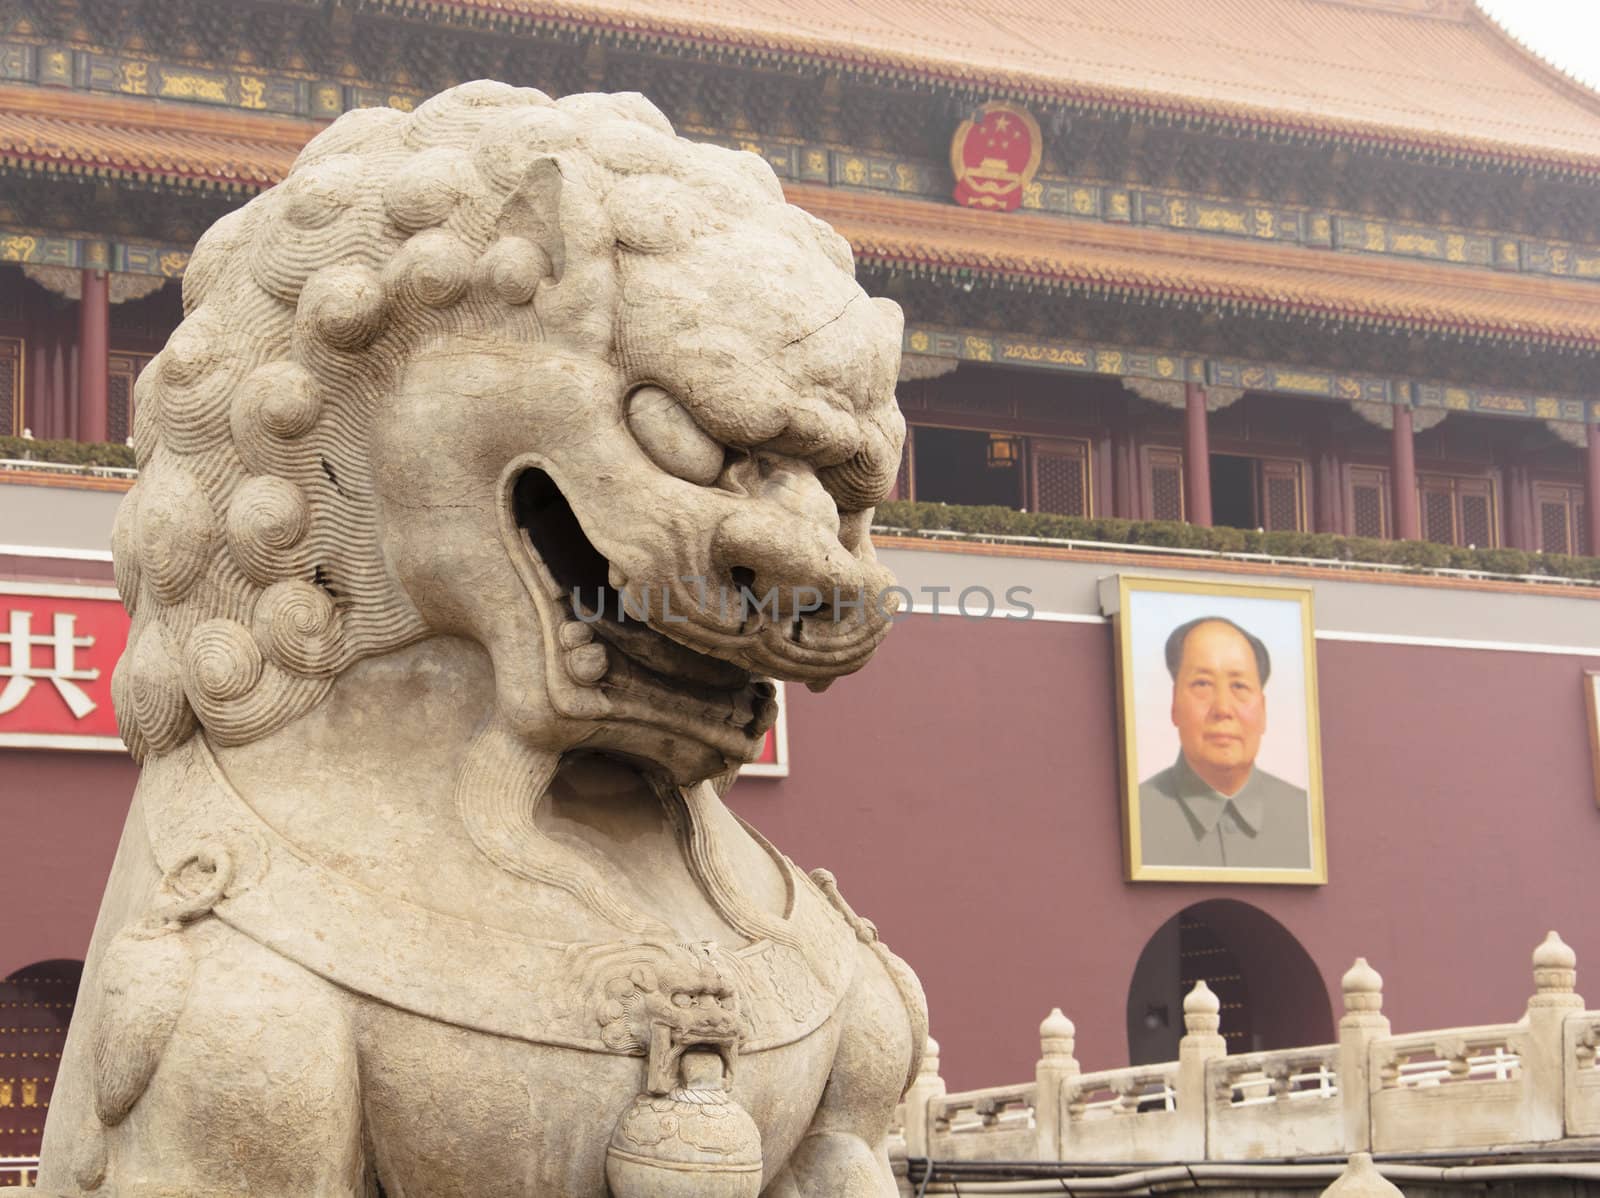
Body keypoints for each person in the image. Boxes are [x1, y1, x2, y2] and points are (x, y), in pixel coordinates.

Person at [1137, 616, 1310, 870]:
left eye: (1239, 686)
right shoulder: (1136, 814)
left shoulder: (1306, 818)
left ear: (1263, 710)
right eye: (1203, 684)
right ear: (1174, 703)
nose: (1222, 709)